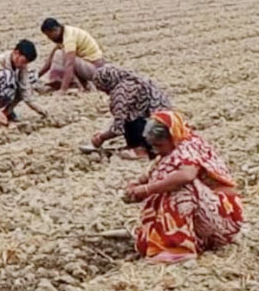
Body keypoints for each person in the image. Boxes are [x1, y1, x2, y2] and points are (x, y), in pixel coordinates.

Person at [126, 111, 242, 263]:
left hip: (219, 216)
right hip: (202, 215)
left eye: (159, 145)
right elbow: (157, 170)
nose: (156, 150)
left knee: (180, 187)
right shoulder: (173, 148)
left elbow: (186, 176)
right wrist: (138, 184)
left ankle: (179, 247)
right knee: (166, 187)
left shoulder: (189, 148)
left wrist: (148, 189)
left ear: (171, 137)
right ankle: (161, 238)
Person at [91, 65, 173, 156]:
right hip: (165, 123)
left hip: (156, 127)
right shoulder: (134, 80)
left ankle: (141, 149)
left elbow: (118, 127)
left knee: (131, 120)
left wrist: (101, 137)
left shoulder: (121, 92)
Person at [0, 40, 48, 126]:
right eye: (23, 62)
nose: (23, 65)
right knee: (7, 76)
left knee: (23, 84)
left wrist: (40, 110)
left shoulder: (21, 66)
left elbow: (25, 91)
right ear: (16, 53)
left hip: (4, 98)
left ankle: (7, 112)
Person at [38, 17, 106, 93]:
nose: (49, 38)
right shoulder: (64, 33)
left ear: (55, 30)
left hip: (95, 69)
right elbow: (50, 59)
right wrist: (37, 75)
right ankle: (69, 84)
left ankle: (75, 86)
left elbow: (69, 64)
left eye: (49, 35)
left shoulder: (69, 38)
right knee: (58, 53)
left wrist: (63, 90)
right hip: (87, 66)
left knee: (62, 55)